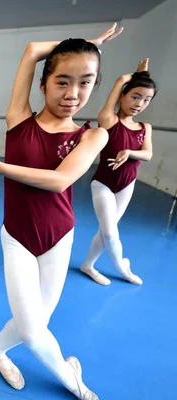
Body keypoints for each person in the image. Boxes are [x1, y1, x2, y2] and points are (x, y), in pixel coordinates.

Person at [0, 24, 124, 400]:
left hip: (59, 238)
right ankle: (71, 379)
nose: (73, 94)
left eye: (85, 82)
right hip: (18, 238)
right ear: (43, 84)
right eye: (62, 81)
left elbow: (60, 181)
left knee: (35, 324)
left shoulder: (94, 136)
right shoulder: (19, 118)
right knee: (31, 328)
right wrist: (87, 44)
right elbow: (30, 50)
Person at [80, 59, 155, 286]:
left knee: (105, 231)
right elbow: (121, 82)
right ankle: (124, 269)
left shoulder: (144, 128)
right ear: (122, 96)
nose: (139, 104)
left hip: (127, 184)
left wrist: (129, 151)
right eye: (135, 96)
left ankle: (88, 266)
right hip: (103, 183)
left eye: (146, 100)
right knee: (111, 233)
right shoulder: (109, 120)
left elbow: (148, 154)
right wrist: (135, 75)